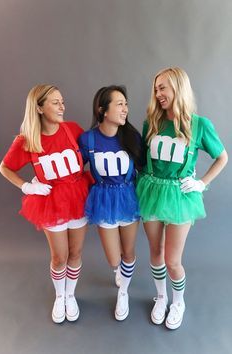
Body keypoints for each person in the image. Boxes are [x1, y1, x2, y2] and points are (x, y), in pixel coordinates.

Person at [136, 67, 228, 329]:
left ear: (178, 87)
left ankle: (178, 301)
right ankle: (161, 296)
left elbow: (222, 157)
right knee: (155, 252)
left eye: (162, 87)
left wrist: (201, 183)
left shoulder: (199, 125)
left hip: (180, 196)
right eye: (156, 89)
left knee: (172, 260)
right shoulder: (151, 123)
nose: (158, 93)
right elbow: (142, 160)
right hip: (152, 191)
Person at [0, 85, 93, 324]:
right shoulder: (28, 139)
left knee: (76, 252)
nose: (62, 106)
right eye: (55, 102)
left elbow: (92, 153)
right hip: (51, 201)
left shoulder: (72, 130)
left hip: (79, 195)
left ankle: (70, 295)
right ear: (39, 107)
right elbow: (5, 167)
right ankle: (59, 296)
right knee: (59, 256)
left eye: (62, 101)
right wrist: (27, 186)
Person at [78, 85, 142, 321]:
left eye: (126, 104)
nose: (125, 109)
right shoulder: (88, 139)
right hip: (103, 198)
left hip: (127, 197)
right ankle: (119, 271)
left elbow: (146, 167)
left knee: (128, 252)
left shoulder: (132, 136)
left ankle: (123, 291)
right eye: (119, 104)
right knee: (114, 258)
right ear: (102, 110)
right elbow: (76, 169)